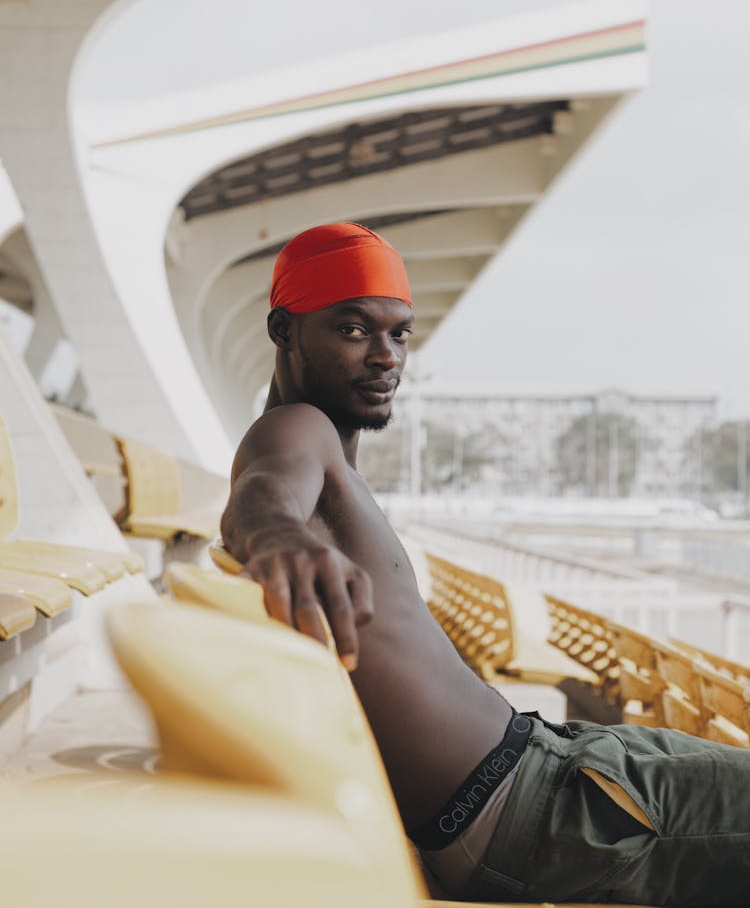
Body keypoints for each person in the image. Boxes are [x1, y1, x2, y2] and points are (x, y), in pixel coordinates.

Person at [220, 222, 750, 906]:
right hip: (546, 814)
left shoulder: (334, 461)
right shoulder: (295, 430)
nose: (386, 357)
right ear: (283, 330)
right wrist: (277, 536)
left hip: (558, 769)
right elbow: (260, 492)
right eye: (353, 330)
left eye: (400, 333)